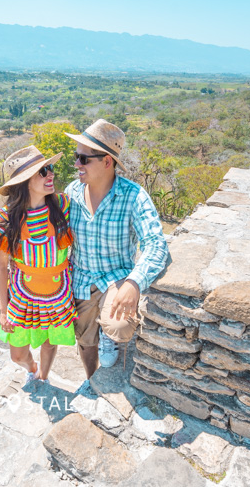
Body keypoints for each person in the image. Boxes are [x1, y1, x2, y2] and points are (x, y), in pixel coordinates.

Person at [65, 119, 169, 388]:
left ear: (107, 162)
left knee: (119, 327)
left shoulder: (133, 196)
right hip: (80, 280)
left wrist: (135, 283)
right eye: (76, 157)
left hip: (115, 277)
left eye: (83, 159)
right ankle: (92, 379)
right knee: (84, 342)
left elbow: (156, 243)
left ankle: (108, 335)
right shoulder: (71, 193)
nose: (76, 164)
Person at [0, 145, 77, 384]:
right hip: (23, 296)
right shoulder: (4, 221)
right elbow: (1, 267)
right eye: (42, 172)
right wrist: (3, 310)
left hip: (58, 292)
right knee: (17, 354)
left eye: (49, 168)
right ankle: (31, 367)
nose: (50, 174)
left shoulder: (63, 206)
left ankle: (43, 375)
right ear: (23, 182)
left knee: (49, 343)